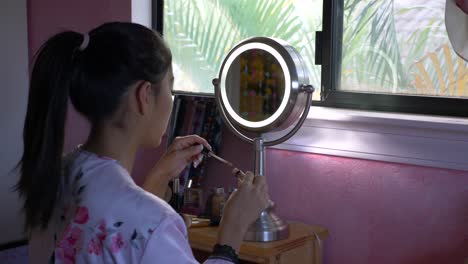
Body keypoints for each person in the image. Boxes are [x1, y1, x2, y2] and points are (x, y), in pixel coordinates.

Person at [16, 22, 269, 264]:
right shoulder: (155, 222)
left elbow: (119, 224)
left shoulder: (52, 175)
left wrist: (159, 176)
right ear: (144, 95)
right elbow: (133, 223)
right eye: (170, 87)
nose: (171, 99)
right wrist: (232, 232)